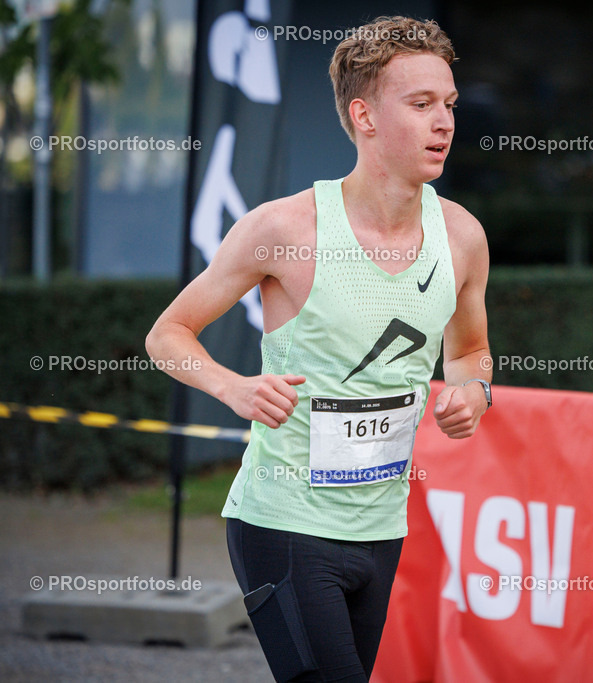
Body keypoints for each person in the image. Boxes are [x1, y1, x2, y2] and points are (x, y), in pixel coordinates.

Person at [146, 15, 491, 682]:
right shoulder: (285, 227)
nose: (444, 122)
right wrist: (235, 387)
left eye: (448, 104)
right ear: (363, 115)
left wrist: (473, 392)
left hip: (383, 526)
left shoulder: (462, 237)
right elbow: (168, 332)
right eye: (420, 105)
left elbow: (472, 351)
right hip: (284, 520)